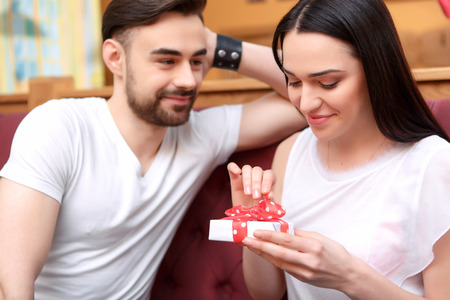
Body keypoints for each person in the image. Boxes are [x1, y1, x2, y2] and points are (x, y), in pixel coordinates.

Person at [0, 0, 306, 299]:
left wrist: (208, 41)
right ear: (115, 58)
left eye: (197, 61)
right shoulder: (61, 127)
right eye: (167, 60)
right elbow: (12, 282)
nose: (188, 80)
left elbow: (305, 97)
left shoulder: (202, 134)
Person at [227, 0, 450, 299]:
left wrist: (349, 276)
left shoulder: (432, 165)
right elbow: (266, 292)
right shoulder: (290, 152)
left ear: (376, 71)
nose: (305, 103)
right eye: (293, 81)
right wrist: (252, 223)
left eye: (328, 83)